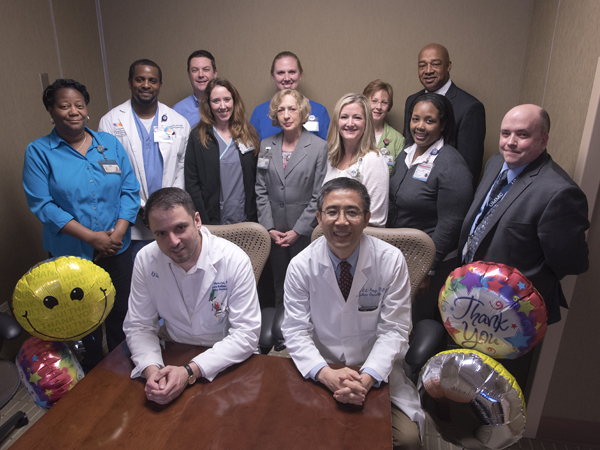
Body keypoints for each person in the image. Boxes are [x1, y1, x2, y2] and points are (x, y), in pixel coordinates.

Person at [282, 178, 424, 450]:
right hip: (320, 368)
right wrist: (325, 374)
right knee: (292, 430)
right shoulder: (301, 266)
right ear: (319, 218)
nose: (342, 221)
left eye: (352, 211)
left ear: (367, 218)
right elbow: (295, 330)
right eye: (332, 211)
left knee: (406, 441)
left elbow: (394, 329)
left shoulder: (391, 260)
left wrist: (366, 378)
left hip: (377, 373)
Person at [458, 104, 589, 391]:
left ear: (544, 139)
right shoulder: (496, 163)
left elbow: (570, 262)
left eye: (522, 134)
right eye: (505, 133)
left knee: (498, 391)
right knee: (466, 382)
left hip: (512, 317)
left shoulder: (558, 192)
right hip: (472, 299)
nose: (510, 142)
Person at [23, 79, 140, 371]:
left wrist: (119, 233)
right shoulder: (39, 152)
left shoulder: (109, 143)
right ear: (51, 111)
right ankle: (92, 374)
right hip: (70, 254)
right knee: (80, 318)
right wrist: (92, 238)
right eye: (64, 106)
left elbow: (130, 189)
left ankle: (122, 367)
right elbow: (43, 204)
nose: (73, 111)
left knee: (120, 312)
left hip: (118, 247)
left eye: (79, 105)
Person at [123, 187, 261, 405]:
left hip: (227, 360)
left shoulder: (234, 259)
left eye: (180, 228)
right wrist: (153, 372)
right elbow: (139, 325)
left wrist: (189, 372)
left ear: (197, 221)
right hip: (175, 352)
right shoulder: (145, 259)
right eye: (161, 233)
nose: (173, 241)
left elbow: (246, 334)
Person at [388, 93, 473, 322]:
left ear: (443, 125)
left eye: (429, 120)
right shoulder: (405, 154)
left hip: (428, 259)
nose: (420, 126)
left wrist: (427, 268)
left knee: (415, 322)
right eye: (415, 119)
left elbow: (451, 223)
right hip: (400, 254)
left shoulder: (451, 165)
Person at [99, 59, 190, 260]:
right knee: (139, 278)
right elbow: (110, 169)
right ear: (130, 82)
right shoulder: (110, 121)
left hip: (170, 212)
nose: (146, 85)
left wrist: (172, 201)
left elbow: (183, 166)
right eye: (140, 79)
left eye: (152, 80)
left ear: (160, 84)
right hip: (132, 218)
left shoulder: (178, 122)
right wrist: (140, 205)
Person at [255, 89, 328, 307]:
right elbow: (260, 189)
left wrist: (298, 230)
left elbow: (319, 194)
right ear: (275, 115)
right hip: (275, 233)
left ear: (302, 112)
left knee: (306, 285)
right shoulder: (267, 145)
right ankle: (280, 333)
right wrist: (268, 227)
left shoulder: (318, 147)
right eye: (281, 110)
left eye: (292, 109)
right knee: (280, 284)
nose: (286, 115)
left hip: (304, 233)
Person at [403, 43, 485, 184]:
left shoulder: (469, 107)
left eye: (435, 64)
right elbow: (408, 146)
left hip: (443, 192)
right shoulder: (412, 100)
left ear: (448, 66)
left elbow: (469, 169)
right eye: (422, 65)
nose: (428, 70)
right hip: (410, 189)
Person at [184, 77, 259, 225]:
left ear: (234, 101)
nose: (222, 106)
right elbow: (192, 183)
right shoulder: (198, 136)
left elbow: (257, 178)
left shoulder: (248, 132)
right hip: (213, 219)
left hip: (246, 217)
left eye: (227, 99)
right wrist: (203, 220)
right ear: (208, 105)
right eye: (216, 101)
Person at [323, 93, 389, 227]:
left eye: (357, 117)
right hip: (330, 236)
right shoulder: (330, 157)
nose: (350, 123)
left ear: (367, 123)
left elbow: (376, 220)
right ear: (337, 121)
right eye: (344, 117)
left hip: (359, 241)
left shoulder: (373, 160)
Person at [250, 51, 330, 141]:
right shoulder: (259, 112)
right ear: (273, 76)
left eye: (292, 72)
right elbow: (253, 151)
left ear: (300, 75)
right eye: (281, 73)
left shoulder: (319, 111)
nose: (287, 78)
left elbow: (328, 151)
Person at [363, 79, 405, 174]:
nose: (378, 107)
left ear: (388, 107)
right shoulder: (354, 132)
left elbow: (398, 176)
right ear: (365, 103)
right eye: (374, 101)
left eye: (384, 102)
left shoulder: (397, 140)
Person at [173, 50, 218, 128]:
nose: (201, 75)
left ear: (215, 73)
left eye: (206, 69)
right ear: (189, 75)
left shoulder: (228, 107)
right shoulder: (177, 111)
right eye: (195, 70)